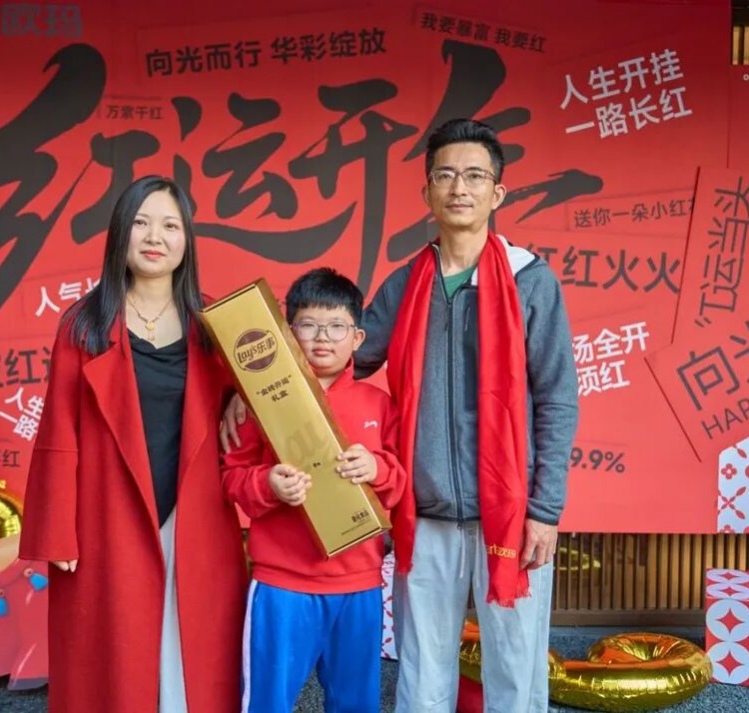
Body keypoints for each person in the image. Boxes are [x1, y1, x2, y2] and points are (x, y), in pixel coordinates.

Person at [222, 119, 579, 713]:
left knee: (516, 672)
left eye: (474, 176)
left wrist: (545, 510)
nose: (459, 188)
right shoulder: (407, 283)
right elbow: (337, 356)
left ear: (497, 192)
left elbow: (558, 396)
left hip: (511, 511)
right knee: (422, 672)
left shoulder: (529, 281)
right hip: (426, 511)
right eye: (445, 175)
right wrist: (256, 389)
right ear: (427, 191)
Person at [19, 176, 248, 713]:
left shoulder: (214, 323)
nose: (155, 237)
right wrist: (58, 533)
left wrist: (242, 397)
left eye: (170, 225)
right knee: (116, 653)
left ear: (187, 240)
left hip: (194, 510)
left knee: (196, 649)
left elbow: (266, 393)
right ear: (121, 234)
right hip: (108, 512)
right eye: (141, 223)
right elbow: (58, 432)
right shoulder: (85, 325)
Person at [221, 268, 407, 713]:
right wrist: (268, 483)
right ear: (288, 333)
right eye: (308, 325)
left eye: (337, 326)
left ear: (358, 338)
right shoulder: (258, 401)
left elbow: (401, 483)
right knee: (268, 702)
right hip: (281, 584)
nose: (322, 338)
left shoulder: (379, 405)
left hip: (359, 585)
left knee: (356, 703)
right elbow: (232, 477)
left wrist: (377, 468)